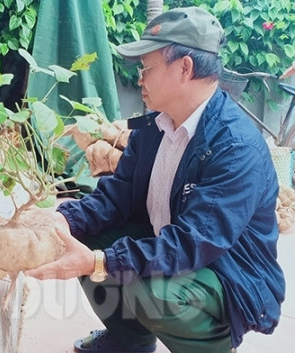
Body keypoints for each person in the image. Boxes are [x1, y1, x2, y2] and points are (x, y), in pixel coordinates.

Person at [25, 6, 286, 353]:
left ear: (185, 68)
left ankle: (211, 347)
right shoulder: (153, 127)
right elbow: (114, 198)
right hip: (175, 250)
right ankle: (128, 340)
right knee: (86, 237)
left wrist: (99, 262)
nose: (140, 79)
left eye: (146, 68)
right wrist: (62, 221)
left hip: (225, 275)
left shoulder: (235, 148)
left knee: (142, 281)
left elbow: (193, 244)